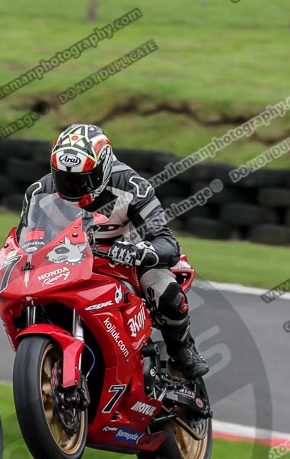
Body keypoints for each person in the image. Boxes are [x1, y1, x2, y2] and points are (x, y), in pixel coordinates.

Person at [21, 124, 209, 379]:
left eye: (82, 179)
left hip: (127, 260)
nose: (72, 188)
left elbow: (167, 242)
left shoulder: (133, 187)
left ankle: (182, 349)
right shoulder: (38, 193)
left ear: (103, 168)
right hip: (72, 261)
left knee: (167, 294)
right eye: (65, 178)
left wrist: (138, 252)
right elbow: (26, 242)